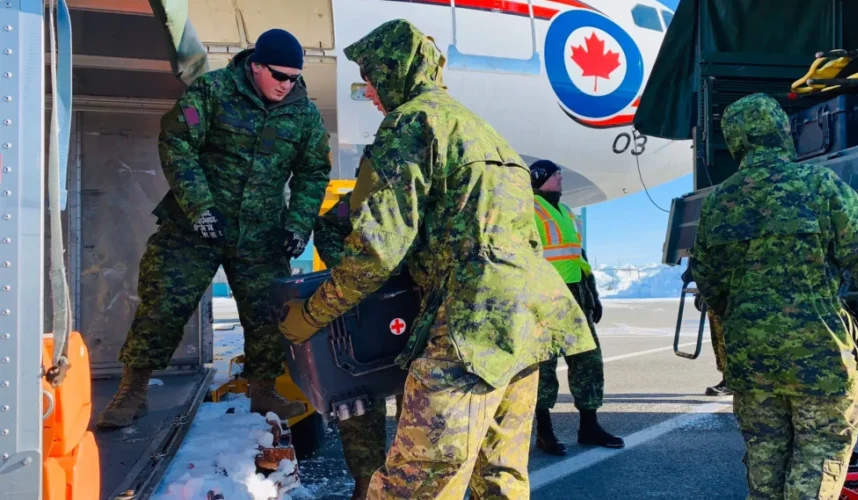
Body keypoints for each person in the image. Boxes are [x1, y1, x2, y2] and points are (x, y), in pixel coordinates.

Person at [278, 19, 596, 499]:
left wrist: (313, 313)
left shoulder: (412, 122)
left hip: (474, 321)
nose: (372, 94)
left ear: (394, 73)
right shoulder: (483, 131)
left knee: (418, 479)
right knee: (501, 477)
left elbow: (376, 251)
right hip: (528, 318)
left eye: (372, 81)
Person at [97, 28, 332, 428]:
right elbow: (177, 142)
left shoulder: (303, 113)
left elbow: (313, 171)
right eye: (279, 75)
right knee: (163, 304)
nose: (287, 84)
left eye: (294, 77)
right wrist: (201, 207)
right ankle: (132, 391)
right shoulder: (213, 91)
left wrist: (298, 223)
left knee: (267, 314)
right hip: (194, 228)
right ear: (256, 66)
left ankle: (263, 391)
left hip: (261, 235)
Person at [691, 93, 858, 499]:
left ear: (736, 141)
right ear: (781, 133)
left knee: (765, 459)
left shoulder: (717, 203)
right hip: (818, 358)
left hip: (752, 358)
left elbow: (710, 285)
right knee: (819, 453)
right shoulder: (818, 184)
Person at [312, 188, 404, 500]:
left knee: (423, 404)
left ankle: (409, 482)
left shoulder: (430, 192)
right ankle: (366, 483)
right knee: (360, 398)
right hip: (369, 308)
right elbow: (326, 227)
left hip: (418, 304)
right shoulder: (360, 196)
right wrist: (352, 274)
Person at [529, 160, 624, 455]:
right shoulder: (527, 208)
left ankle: (589, 426)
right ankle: (544, 432)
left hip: (577, 292)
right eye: (555, 174)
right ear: (540, 177)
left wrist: (592, 292)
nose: (561, 177)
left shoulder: (568, 211)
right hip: (545, 295)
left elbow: (578, 255)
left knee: (588, 360)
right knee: (543, 366)